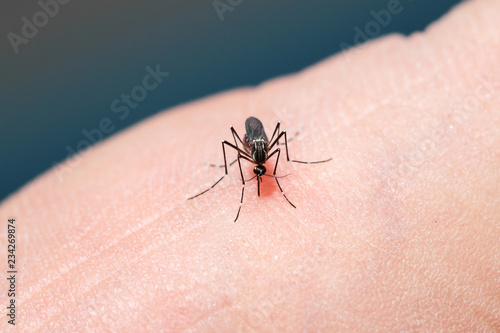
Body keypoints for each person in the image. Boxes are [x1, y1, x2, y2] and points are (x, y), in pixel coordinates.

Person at [1, 0, 498, 330]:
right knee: (234, 152)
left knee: (282, 148)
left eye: (259, 168)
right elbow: (245, 140)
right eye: (259, 169)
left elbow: (269, 142)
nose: (261, 168)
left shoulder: (268, 151)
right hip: (248, 131)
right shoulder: (245, 151)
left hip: (263, 129)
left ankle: (290, 162)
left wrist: (281, 167)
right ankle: (225, 181)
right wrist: (239, 177)